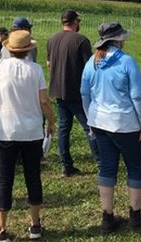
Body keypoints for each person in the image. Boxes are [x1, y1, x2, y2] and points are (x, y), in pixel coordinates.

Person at [0, 30, 55, 242]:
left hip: (5, 132)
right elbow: (44, 100)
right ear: (28, 50)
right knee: (33, 178)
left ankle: (1, 229)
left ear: (9, 48)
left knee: (5, 181)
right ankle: (35, 225)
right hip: (32, 132)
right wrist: (51, 121)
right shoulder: (36, 69)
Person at [81, 22, 141, 234]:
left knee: (107, 168)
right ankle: (135, 216)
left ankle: (107, 217)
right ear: (118, 40)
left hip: (99, 122)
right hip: (125, 123)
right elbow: (138, 97)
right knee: (136, 166)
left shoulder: (91, 63)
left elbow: (84, 94)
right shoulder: (127, 62)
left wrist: (89, 118)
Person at [46, 10, 98, 177]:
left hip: (58, 90)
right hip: (77, 92)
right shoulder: (81, 40)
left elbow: (48, 63)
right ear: (75, 21)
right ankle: (101, 162)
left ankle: (66, 165)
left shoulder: (52, 39)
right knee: (89, 127)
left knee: (63, 129)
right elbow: (90, 67)